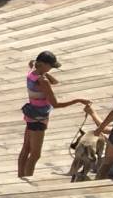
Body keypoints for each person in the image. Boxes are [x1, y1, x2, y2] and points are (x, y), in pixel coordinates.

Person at [16, 50, 86, 180]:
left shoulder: (31, 71)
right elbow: (56, 104)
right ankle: (27, 179)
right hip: (39, 119)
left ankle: (20, 176)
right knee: (35, 154)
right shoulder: (43, 81)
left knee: (26, 149)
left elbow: (55, 82)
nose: (51, 69)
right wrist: (78, 100)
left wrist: (45, 72)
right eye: (50, 66)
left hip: (30, 115)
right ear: (42, 64)